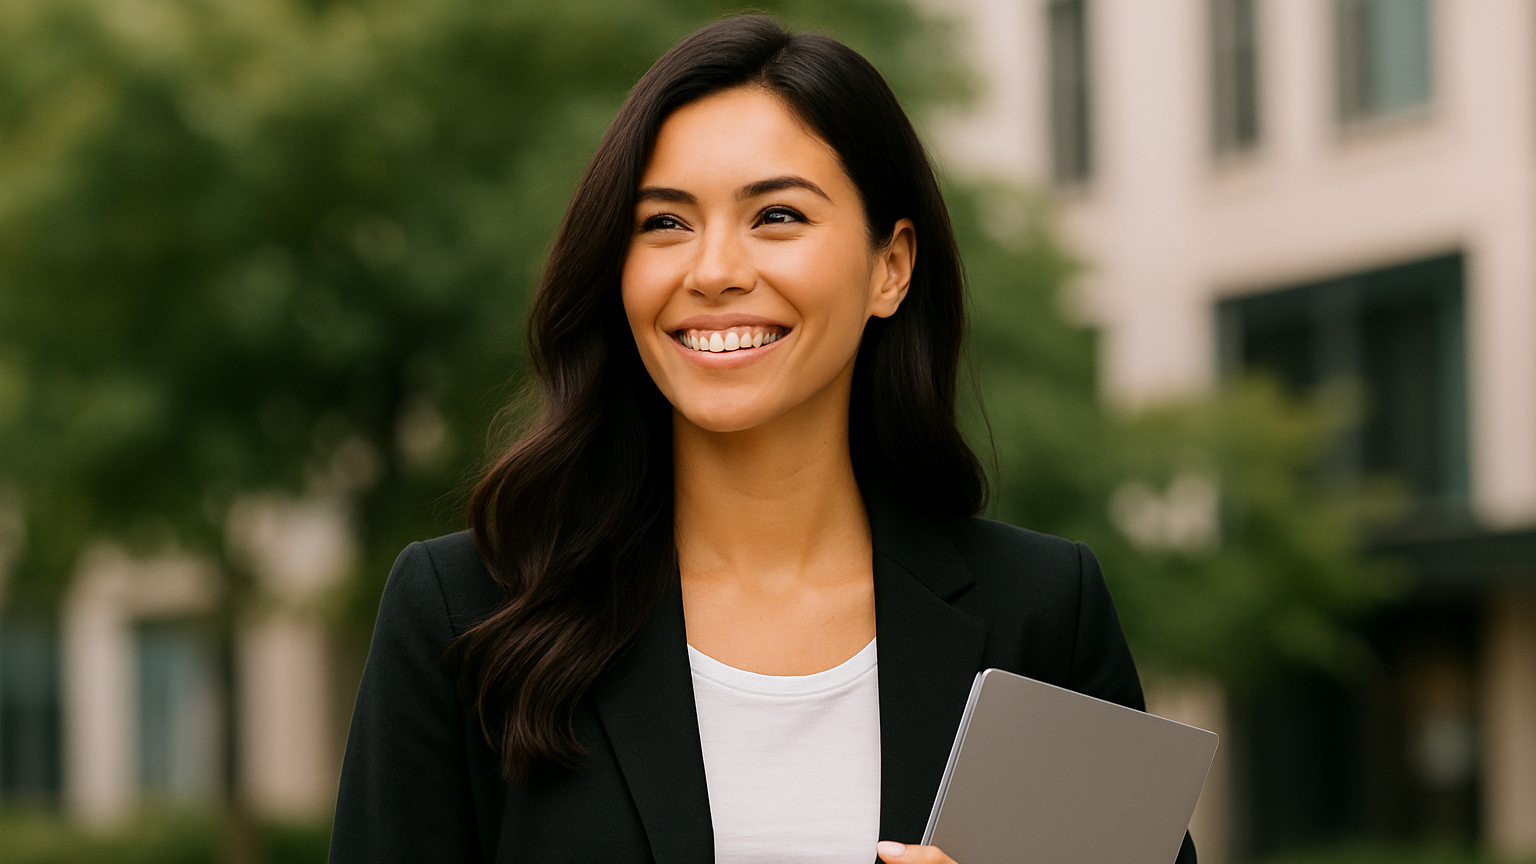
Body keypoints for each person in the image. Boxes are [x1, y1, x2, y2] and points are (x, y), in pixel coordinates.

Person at [330, 14, 1196, 864]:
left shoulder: (1041, 613)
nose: (713, 272)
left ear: (890, 267)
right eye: (664, 223)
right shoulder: (466, 615)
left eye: (776, 216)